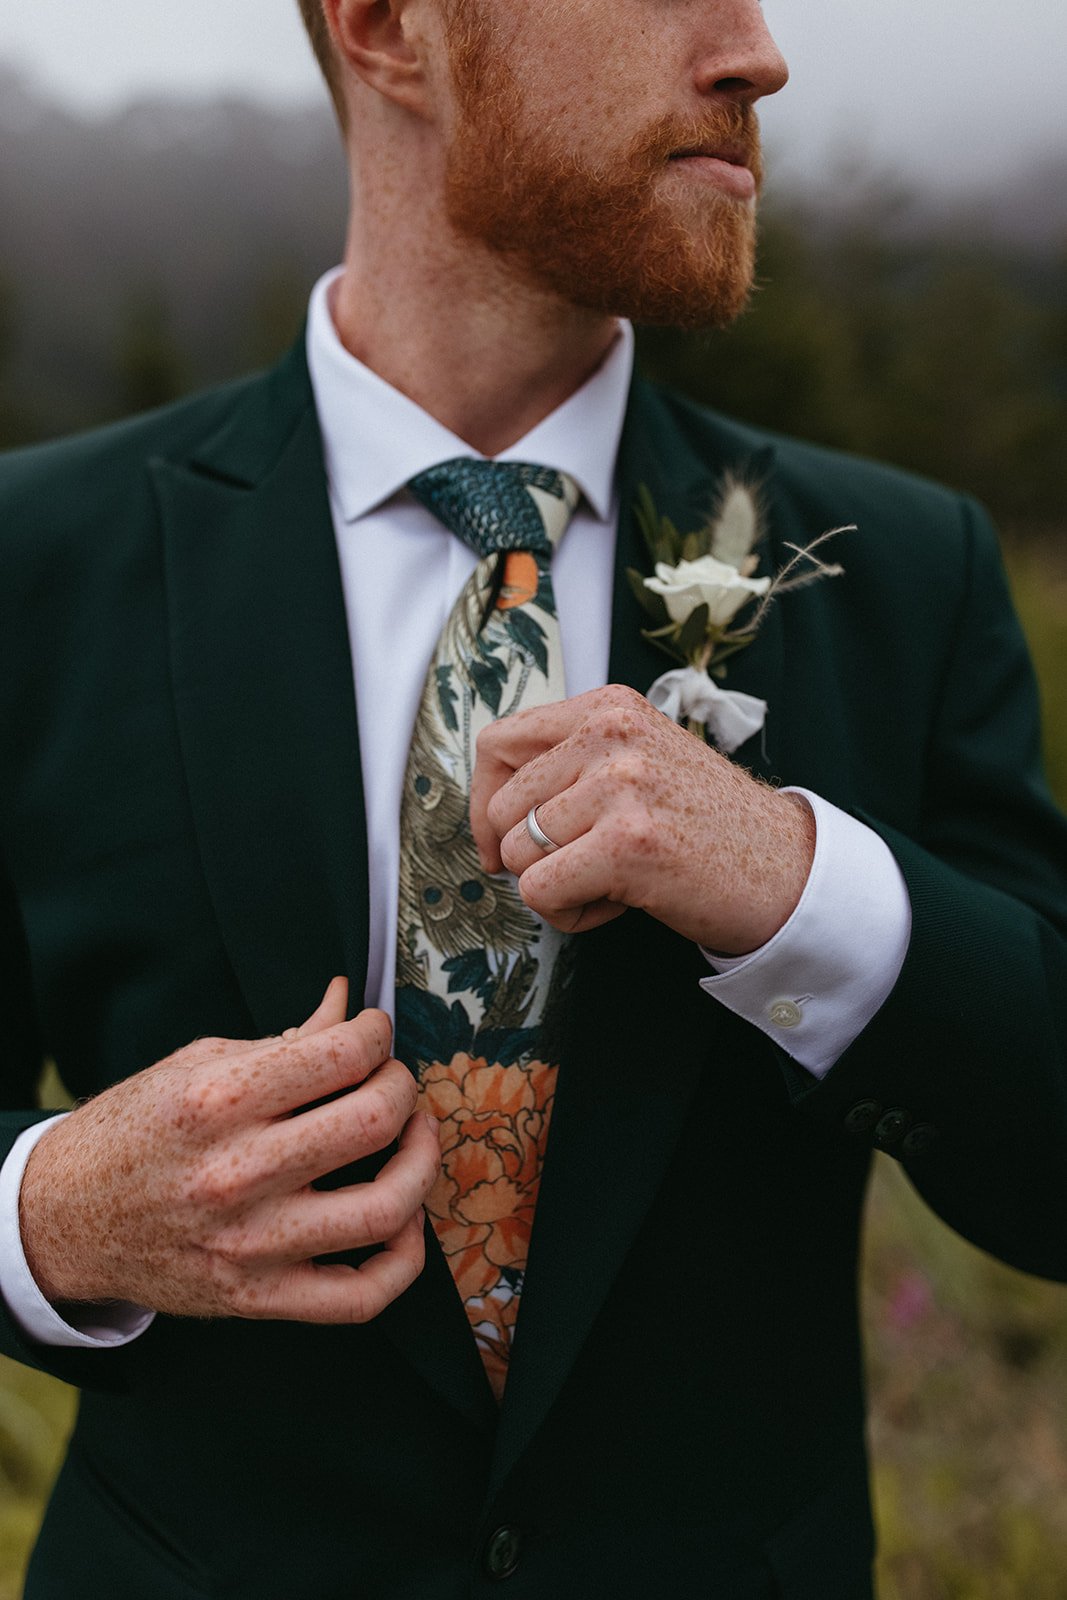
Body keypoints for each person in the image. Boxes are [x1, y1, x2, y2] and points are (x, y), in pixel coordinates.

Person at [1, 0, 1065, 1594]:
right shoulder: (32, 561)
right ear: (387, 28)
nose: (757, 55)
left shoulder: (904, 574)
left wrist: (802, 889)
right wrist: (50, 1218)